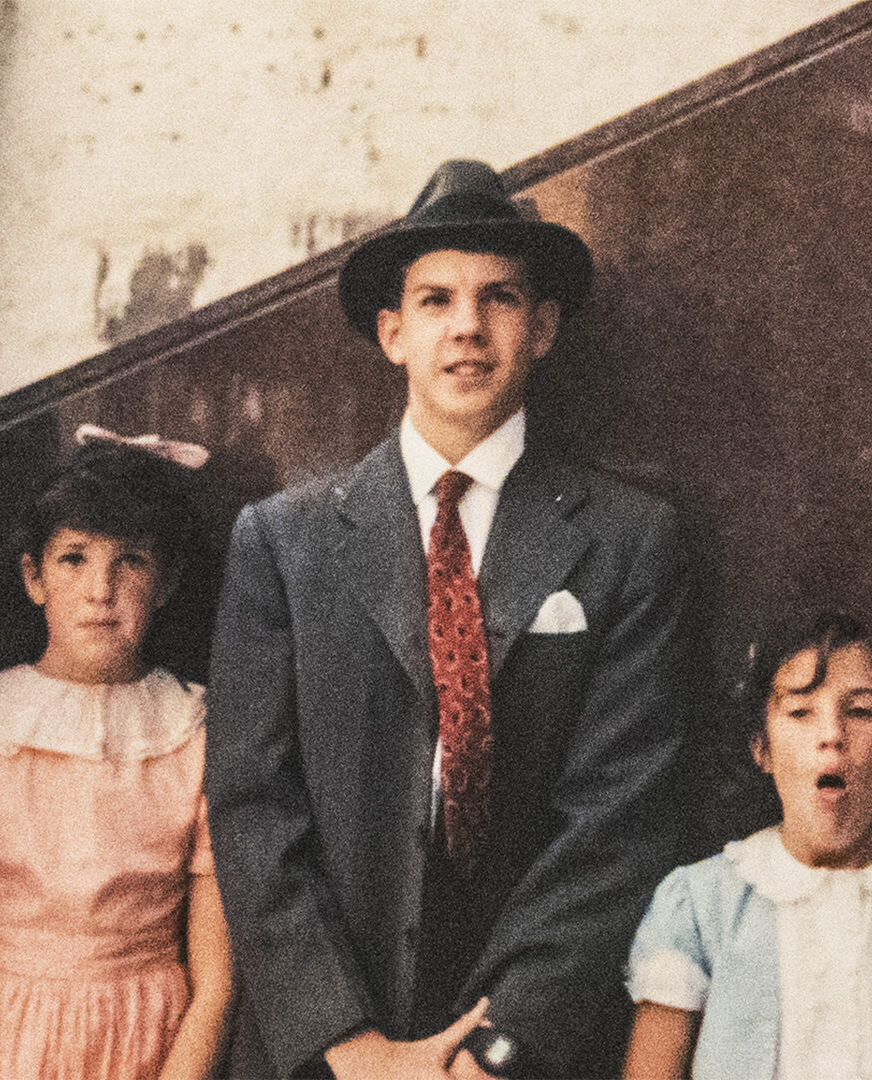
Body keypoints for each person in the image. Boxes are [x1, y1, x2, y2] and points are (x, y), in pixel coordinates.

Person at [205, 159, 704, 1079]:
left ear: (543, 326)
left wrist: (496, 1050)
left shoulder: (629, 541)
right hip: (330, 1047)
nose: (467, 327)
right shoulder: (284, 541)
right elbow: (252, 809)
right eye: (435, 300)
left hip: (530, 1048)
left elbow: (618, 820)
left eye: (499, 298)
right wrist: (348, 1047)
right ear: (392, 332)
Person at [0, 428, 232, 1080]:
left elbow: (214, 983)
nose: (101, 589)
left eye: (130, 561)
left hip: (143, 1048)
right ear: (33, 576)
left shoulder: (197, 733)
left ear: (167, 581)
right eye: (74, 558)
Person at [623, 613, 872, 1080]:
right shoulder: (700, 906)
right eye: (800, 712)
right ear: (761, 748)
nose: (832, 736)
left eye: (860, 712)